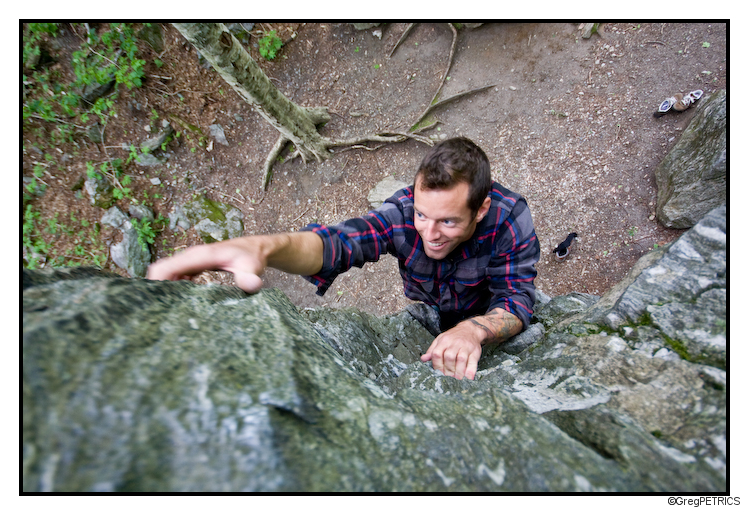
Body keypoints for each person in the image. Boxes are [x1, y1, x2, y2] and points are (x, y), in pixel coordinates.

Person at [147, 137, 540, 381]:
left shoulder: (508, 218)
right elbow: (340, 243)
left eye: (449, 221)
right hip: (434, 304)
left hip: (484, 308)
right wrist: (265, 247)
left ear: (481, 208)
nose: (429, 233)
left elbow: (518, 297)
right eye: (423, 214)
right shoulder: (403, 213)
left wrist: (473, 331)